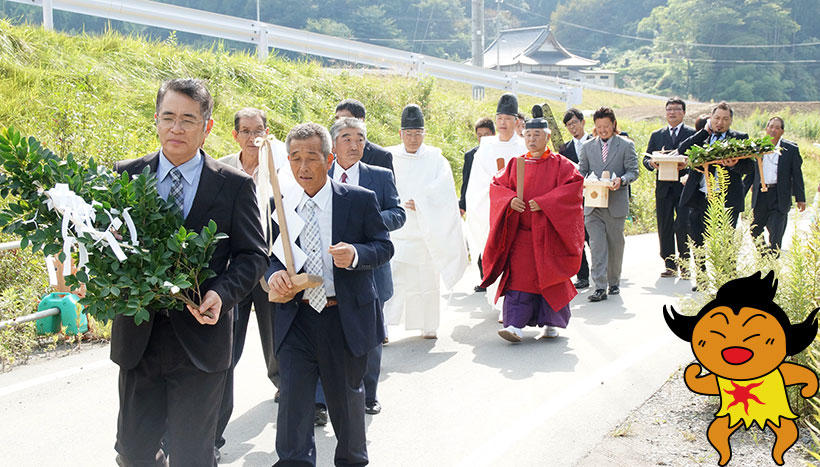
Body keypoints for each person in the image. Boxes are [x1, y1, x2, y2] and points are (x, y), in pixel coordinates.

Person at [112, 78, 269, 466]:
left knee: (192, 457)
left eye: (187, 119)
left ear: (208, 126)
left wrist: (221, 293)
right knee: (132, 453)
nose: (176, 128)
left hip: (201, 342)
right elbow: (107, 248)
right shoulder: (126, 176)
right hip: (140, 341)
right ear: (156, 120)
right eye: (168, 118)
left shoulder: (233, 186)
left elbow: (253, 255)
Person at [267, 122, 393, 467]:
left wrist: (355, 254)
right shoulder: (280, 202)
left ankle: (352, 460)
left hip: (343, 316)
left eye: (311, 158)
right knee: (293, 402)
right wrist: (275, 274)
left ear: (329, 157)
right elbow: (271, 256)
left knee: (346, 401)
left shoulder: (358, 200)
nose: (303, 167)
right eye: (295, 159)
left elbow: (383, 247)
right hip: (297, 316)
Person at [214, 108, 288, 456]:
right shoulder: (222, 167)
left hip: (271, 266)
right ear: (235, 135)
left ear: (267, 133)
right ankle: (212, 428)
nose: (251, 137)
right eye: (245, 131)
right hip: (235, 269)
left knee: (276, 337)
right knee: (227, 347)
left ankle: (284, 388)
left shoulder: (280, 168)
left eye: (258, 130)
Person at [323, 117, 405, 416]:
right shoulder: (320, 173)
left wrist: (365, 223)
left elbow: (398, 214)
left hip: (370, 267)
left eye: (360, 138)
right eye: (346, 138)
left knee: (369, 335)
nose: (354, 144)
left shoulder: (379, 176)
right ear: (333, 144)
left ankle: (368, 395)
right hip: (327, 268)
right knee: (324, 333)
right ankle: (321, 400)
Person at [481, 108, 584, 342]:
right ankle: (514, 325)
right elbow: (498, 187)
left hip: (550, 233)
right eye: (528, 135)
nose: (532, 140)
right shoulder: (515, 164)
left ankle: (551, 322)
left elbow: (574, 189)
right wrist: (510, 201)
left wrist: (546, 203)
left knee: (550, 276)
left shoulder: (562, 165)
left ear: (547, 137)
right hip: (523, 236)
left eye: (537, 135)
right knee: (519, 278)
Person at [385, 104, 467, 339]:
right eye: (409, 134)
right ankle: (385, 326)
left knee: (426, 281)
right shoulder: (388, 156)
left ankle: (428, 325)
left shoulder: (435, 158)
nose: (413, 139)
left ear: (424, 133)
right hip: (397, 230)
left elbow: (444, 189)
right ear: (401, 134)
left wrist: (421, 201)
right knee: (394, 280)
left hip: (425, 230)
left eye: (418, 133)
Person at [465, 93, 527, 293]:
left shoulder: (524, 146)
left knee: (517, 259)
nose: (502, 123)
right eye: (499, 118)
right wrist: (502, 197)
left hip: (519, 213)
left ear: (516, 121)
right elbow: (478, 183)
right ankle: (499, 300)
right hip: (492, 212)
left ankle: (513, 305)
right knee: (496, 255)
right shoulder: (486, 147)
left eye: (507, 119)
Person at [578, 107, 640, 302]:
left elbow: (633, 171)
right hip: (593, 204)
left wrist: (621, 180)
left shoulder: (626, 145)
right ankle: (599, 286)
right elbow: (581, 171)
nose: (603, 130)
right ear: (594, 127)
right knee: (596, 244)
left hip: (615, 203)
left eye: (606, 126)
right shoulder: (587, 147)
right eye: (599, 126)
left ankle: (614, 281)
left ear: (613, 124)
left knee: (615, 244)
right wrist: (582, 182)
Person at [642, 98, 695, 278]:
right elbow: (646, 159)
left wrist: (687, 165)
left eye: (676, 109)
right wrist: (652, 163)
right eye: (669, 109)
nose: (672, 113)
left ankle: (685, 263)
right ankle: (669, 263)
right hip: (663, 187)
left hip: (684, 187)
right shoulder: (657, 135)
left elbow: (698, 159)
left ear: (683, 113)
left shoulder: (692, 134)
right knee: (664, 224)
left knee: (683, 224)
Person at [750, 116, 806, 250]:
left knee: (776, 234)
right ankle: (764, 256)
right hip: (761, 195)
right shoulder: (758, 147)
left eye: (777, 128)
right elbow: (752, 171)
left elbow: (797, 175)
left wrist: (800, 198)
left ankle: (773, 261)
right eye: (771, 127)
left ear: (782, 131)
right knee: (754, 230)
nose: (773, 130)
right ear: (766, 129)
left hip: (779, 195)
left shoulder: (790, 149)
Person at [559, 108, 593, 290]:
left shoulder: (595, 142)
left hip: (595, 196)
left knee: (594, 237)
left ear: (582, 122)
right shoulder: (565, 149)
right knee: (578, 237)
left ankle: (601, 272)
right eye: (568, 125)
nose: (572, 127)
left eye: (574, 123)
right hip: (574, 199)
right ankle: (583, 275)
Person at [335, 98, 393, 172]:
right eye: (337, 119)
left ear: (361, 121)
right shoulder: (332, 153)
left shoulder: (381, 157)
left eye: (345, 119)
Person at [459, 117, 495, 215]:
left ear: (493, 134)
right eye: (479, 135)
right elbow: (466, 181)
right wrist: (462, 205)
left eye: (486, 135)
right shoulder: (470, 156)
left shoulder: (499, 153)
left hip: (494, 200)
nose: (483, 139)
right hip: (476, 200)